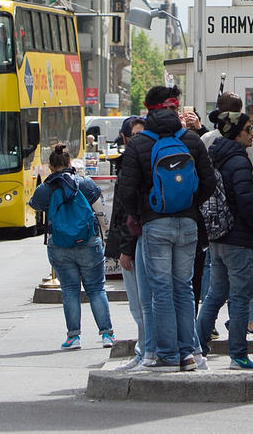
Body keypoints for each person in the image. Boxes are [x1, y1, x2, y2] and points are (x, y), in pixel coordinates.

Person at [112, 85, 214, 372]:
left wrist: (144, 212)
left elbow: (126, 191)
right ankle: (188, 353)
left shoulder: (139, 143)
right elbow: (209, 182)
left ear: (149, 109)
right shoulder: (191, 141)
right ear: (173, 108)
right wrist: (190, 204)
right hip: (189, 224)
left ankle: (167, 355)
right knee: (184, 289)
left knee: (161, 291)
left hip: (155, 224)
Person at [27, 142, 113, 351]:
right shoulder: (84, 183)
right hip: (88, 241)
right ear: (69, 162)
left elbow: (35, 205)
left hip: (60, 245)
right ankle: (106, 335)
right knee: (96, 289)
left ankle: (73, 337)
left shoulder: (45, 189)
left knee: (70, 291)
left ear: (50, 166)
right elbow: (97, 203)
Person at [197, 109, 253, 367]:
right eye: (249, 129)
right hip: (239, 239)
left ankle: (198, 346)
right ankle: (238, 354)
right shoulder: (239, 161)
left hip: (217, 236)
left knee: (215, 294)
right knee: (240, 297)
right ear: (236, 132)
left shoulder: (215, 156)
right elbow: (246, 203)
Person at [103, 114, 150, 370]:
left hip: (139, 244)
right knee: (138, 304)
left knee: (143, 304)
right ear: (124, 138)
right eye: (135, 137)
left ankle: (146, 352)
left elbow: (129, 214)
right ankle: (145, 351)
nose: (139, 142)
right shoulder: (127, 167)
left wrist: (126, 249)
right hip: (132, 244)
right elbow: (122, 214)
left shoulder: (140, 166)